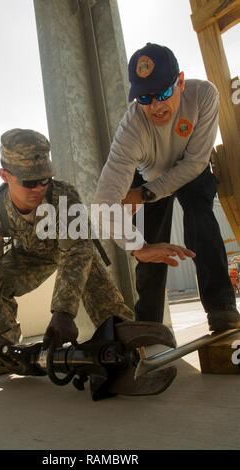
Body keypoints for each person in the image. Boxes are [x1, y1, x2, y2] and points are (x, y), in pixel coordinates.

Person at [0, 128, 135, 382]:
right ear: (5, 175)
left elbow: (76, 251)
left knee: (88, 266)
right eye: (30, 182)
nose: (39, 188)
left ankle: (123, 341)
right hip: (28, 259)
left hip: (68, 251)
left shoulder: (63, 196)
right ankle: (3, 355)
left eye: (45, 179)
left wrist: (63, 313)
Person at [94, 42, 240, 332]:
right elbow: (103, 203)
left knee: (201, 219)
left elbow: (196, 161)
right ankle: (148, 325)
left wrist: (146, 194)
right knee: (151, 246)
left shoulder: (204, 96)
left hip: (189, 170)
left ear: (181, 82)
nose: (156, 106)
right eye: (145, 99)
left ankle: (221, 307)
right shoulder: (131, 129)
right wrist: (137, 247)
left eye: (163, 93)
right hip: (147, 175)